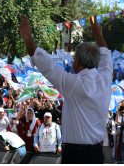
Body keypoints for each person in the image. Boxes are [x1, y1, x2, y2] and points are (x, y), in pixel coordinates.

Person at [18, 15, 113, 163]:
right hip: (96, 154)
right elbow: (106, 55)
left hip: (75, 156)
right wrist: (99, 35)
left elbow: (44, 62)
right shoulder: (106, 79)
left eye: (74, 59)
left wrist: (27, 38)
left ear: (78, 62)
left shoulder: (73, 84)